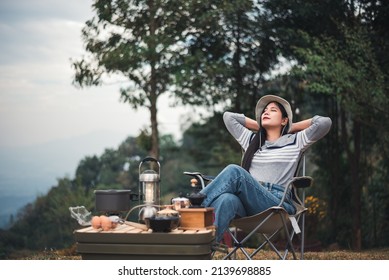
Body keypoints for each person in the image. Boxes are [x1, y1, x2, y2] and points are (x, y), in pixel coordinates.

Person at [200, 94, 332, 242]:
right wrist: (261, 126)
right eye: (265, 111)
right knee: (226, 199)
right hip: (248, 203)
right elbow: (228, 117)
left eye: (273, 110)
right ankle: (204, 247)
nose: (266, 112)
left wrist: (291, 127)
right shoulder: (252, 141)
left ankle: (193, 207)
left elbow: (324, 122)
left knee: (234, 171)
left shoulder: (296, 141)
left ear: (284, 120)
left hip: (277, 204)